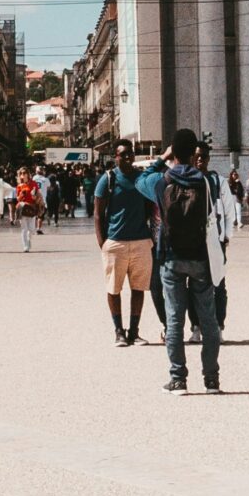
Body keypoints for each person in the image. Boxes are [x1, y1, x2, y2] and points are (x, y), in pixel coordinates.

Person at [153, 129, 222, 394]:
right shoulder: (207, 182)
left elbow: (142, 180)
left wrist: (163, 158)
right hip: (200, 256)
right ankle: (211, 379)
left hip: (171, 257)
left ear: (173, 150)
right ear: (195, 153)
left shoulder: (162, 180)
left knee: (174, 320)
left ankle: (178, 379)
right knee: (208, 320)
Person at [92, 141, 157, 346]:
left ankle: (134, 331)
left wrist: (149, 236)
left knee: (138, 288)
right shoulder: (108, 179)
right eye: (123, 154)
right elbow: (97, 213)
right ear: (116, 156)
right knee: (114, 288)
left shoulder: (141, 178)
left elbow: (150, 207)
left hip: (140, 240)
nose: (128, 157)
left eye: (131, 154)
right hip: (116, 242)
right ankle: (118, 330)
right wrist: (103, 242)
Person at [14, 166, 42, 252]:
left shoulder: (33, 183)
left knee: (32, 229)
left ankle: (29, 240)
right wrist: (21, 195)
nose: (23, 175)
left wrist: (34, 195)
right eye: (21, 173)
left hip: (31, 208)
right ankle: (25, 246)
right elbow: (17, 199)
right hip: (22, 208)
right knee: (24, 229)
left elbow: (37, 196)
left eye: (24, 173)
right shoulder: (19, 186)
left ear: (28, 174)